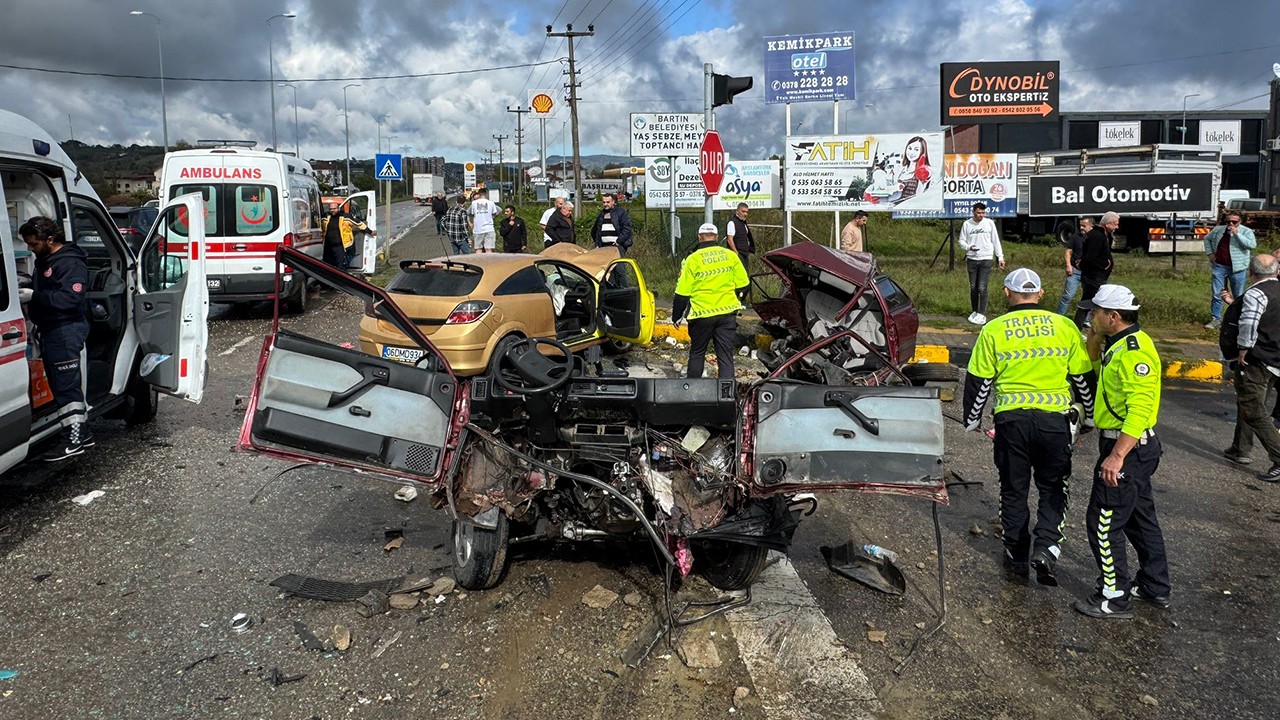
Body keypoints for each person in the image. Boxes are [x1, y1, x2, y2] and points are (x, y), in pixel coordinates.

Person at [962, 268, 1095, 585]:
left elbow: (979, 380)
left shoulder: (993, 329)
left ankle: (1017, 554)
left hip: (1012, 422)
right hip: (1054, 422)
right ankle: (1046, 549)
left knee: (1013, 489)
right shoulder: (1065, 327)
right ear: (1041, 294)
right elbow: (1083, 378)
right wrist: (1089, 418)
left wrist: (972, 419)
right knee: (1053, 488)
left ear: (1007, 293)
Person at [1074, 284, 1170, 619]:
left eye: (1096, 312)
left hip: (1128, 447)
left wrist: (1117, 456)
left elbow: (1140, 408)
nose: (1090, 316)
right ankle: (1154, 586)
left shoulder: (1134, 353)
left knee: (1103, 521)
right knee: (1140, 519)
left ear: (1113, 316)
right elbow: (1094, 367)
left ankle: (1113, 597)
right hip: (1129, 445)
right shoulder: (1116, 343)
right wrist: (1093, 336)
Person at [19, 217, 93, 461]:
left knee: (66, 388)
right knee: (63, 384)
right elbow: (51, 288)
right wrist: (30, 284)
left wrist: (35, 296)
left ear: (49, 240)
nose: (31, 249)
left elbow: (70, 299)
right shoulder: (46, 260)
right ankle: (84, 432)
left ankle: (73, 440)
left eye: (33, 244)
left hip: (65, 331)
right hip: (53, 331)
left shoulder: (69, 262)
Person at [1219, 254, 1280, 480]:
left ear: (1250, 273)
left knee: (1253, 408)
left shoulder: (1256, 293)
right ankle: (1240, 448)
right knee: (1250, 401)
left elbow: (1248, 322)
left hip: (1257, 359)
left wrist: (1243, 348)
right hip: (1275, 358)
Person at [672, 223, 749, 379]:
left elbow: (681, 294)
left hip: (701, 315)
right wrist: (737, 300)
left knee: (697, 352)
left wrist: (676, 316)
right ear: (717, 237)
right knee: (725, 356)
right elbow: (744, 285)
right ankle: (726, 396)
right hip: (727, 314)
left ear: (699, 237)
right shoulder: (730, 255)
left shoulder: (692, 260)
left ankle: (693, 392)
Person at [1203, 211, 1256, 329]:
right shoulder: (1219, 230)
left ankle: (1238, 319)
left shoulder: (1246, 231)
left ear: (1240, 222)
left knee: (1238, 295)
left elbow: (1251, 245)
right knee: (1217, 294)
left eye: (1234, 222)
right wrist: (1210, 253)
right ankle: (1216, 318)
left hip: (1238, 268)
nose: (1231, 224)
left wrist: (1237, 234)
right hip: (1219, 266)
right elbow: (1207, 239)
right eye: (1228, 221)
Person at [957, 202, 1005, 325]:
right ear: (973, 212)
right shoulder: (967, 224)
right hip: (972, 259)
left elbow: (995, 240)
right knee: (973, 287)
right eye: (978, 212)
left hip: (986, 258)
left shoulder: (989, 223)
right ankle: (975, 311)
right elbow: (961, 240)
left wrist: (1000, 257)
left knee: (982, 287)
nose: (981, 215)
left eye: (983, 213)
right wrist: (969, 247)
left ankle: (982, 313)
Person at [1073, 211, 1117, 328]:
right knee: (1101, 303)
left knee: (1086, 303)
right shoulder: (1096, 236)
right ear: (1107, 224)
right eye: (1115, 224)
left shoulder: (1104, 236)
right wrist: (1105, 265)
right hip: (1093, 277)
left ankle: (1077, 327)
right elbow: (1090, 257)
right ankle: (1101, 330)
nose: (1117, 227)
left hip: (1097, 276)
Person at [320, 201, 374, 270]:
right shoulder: (326, 217)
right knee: (328, 266)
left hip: (340, 246)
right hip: (328, 246)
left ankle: (341, 279)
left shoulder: (346, 217)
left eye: (334, 208)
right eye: (331, 209)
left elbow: (358, 224)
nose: (332, 210)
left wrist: (369, 231)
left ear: (338, 208)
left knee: (341, 266)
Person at [1056, 217, 1092, 316]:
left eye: (1084, 225)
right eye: (1080, 225)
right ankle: (1059, 316)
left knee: (1089, 298)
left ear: (1091, 226)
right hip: (1075, 271)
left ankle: (1087, 320)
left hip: (1089, 273)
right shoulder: (1076, 237)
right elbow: (1068, 251)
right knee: (1067, 296)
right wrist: (1068, 265)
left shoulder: (1095, 238)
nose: (1081, 227)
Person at [893, 135, 932, 204]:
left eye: (916, 149)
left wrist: (925, 176)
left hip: (912, 209)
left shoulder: (924, 170)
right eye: (910, 148)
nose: (911, 152)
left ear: (922, 152)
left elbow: (922, 194)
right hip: (894, 208)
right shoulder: (899, 169)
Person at [726, 202, 756, 272]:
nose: (745, 214)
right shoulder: (732, 223)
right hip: (738, 254)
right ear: (737, 211)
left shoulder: (743, 223)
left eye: (746, 212)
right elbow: (730, 240)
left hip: (745, 254)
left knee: (745, 274)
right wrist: (736, 253)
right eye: (743, 211)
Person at [468, 188, 500, 254]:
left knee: (478, 249)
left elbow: (471, 213)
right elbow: (495, 213)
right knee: (488, 249)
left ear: (479, 194)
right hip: (489, 228)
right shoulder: (491, 203)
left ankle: (478, 263)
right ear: (486, 194)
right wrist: (490, 217)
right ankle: (489, 263)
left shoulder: (474, 203)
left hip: (478, 229)